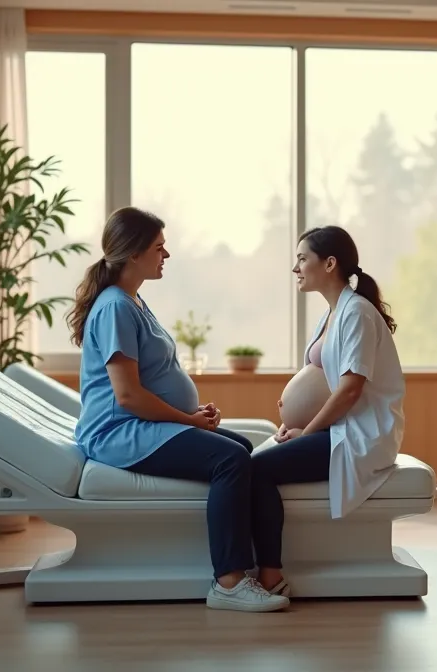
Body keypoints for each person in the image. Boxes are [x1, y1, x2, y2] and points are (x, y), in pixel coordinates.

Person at [66, 206, 290, 613]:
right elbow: (128, 396)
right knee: (230, 460)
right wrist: (187, 420)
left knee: (242, 448)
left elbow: (149, 380)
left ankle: (267, 570)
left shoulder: (132, 301)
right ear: (134, 254)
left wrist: (191, 414)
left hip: (140, 424)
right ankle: (229, 582)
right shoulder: (115, 306)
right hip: (119, 432)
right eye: (159, 247)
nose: (165, 255)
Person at [247, 225, 406, 598]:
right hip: (331, 430)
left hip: (357, 435)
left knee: (256, 469)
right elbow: (326, 382)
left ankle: (270, 573)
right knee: (250, 459)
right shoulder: (334, 312)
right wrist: (295, 424)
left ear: (330, 263)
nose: (296, 268)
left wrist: (307, 432)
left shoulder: (357, 314)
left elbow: (350, 390)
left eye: (303, 258)